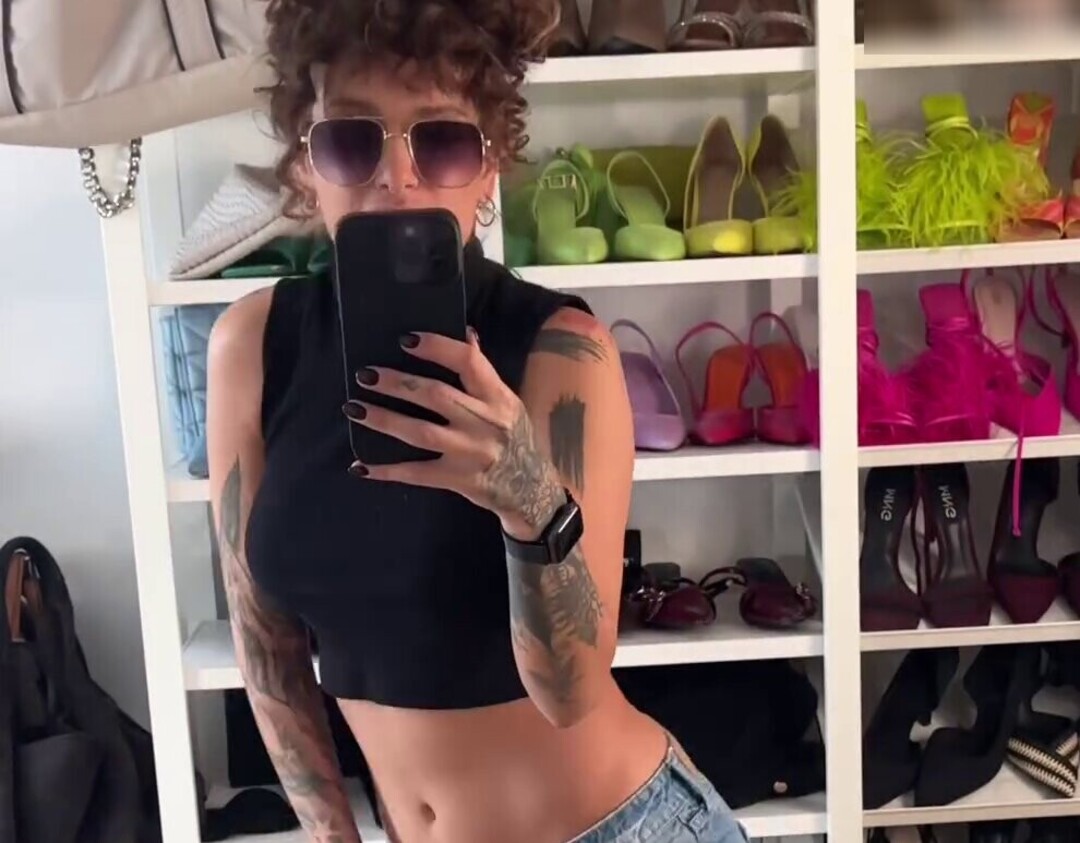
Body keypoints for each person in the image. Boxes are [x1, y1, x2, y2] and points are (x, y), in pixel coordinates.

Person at [206, 1, 748, 841]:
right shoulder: (251, 346)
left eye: (442, 141)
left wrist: (530, 501)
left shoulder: (562, 351)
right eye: (351, 139)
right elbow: (265, 644)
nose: (397, 177)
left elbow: (571, 693)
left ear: (489, 170)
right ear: (306, 164)